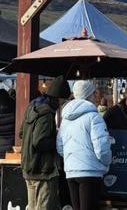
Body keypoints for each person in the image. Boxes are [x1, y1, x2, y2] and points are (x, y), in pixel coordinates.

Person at [57, 80, 111, 210]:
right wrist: (106, 163)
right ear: (88, 95)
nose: (95, 96)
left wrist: (72, 158)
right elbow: (102, 147)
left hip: (71, 171)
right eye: (93, 93)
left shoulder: (66, 118)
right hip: (90, 171)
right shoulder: (94, 117)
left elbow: (60, 146)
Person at [20, 75, 71, 210]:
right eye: (63, 101)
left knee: (33, 207)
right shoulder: (47, 113)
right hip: (43, 170)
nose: (62, 105)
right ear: (59, 98)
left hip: (29, 167)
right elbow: (39, 142)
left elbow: (21, 133)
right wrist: (58, 139)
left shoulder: (32, 107)